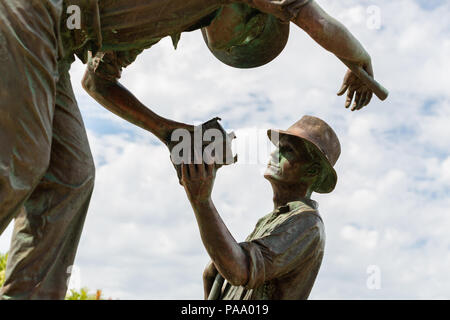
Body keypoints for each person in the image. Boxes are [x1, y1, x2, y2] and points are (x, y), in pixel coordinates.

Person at [0, 0, 372, 299]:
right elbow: (310, 15)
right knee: (22, 163)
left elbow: (97, 81)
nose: (235, 44)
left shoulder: (300, 223)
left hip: (56, 47)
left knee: (71, 178)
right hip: (33, 13)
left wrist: (169, 131)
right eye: (247, 36)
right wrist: (358, 60)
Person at [179, 116, 341, 299]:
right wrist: (213, 274)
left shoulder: (307, 223)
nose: (273, 154)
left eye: (287, 150)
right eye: (277, 147)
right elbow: (231, 274)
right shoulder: (271, 221)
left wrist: (202, 202)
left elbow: (240, 270)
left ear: (312, 170)